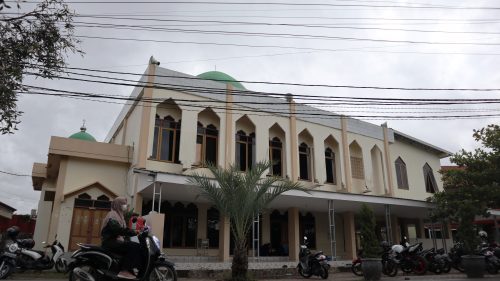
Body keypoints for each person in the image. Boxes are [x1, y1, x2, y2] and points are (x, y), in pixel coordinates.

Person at [101, 197, 142, 279]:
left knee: (134, 244)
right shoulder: (112, 215)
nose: (125, 206)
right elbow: (118, 229)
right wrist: (133, 232)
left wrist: (135, 233)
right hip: (110, 241)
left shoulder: (120, 216)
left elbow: (123, 230)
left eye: (125, 204)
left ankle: (129, 269)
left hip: (115, 240)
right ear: (118, 205)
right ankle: (124, 270)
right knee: (134, 246)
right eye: (123, 204)